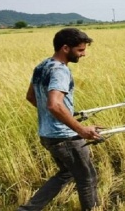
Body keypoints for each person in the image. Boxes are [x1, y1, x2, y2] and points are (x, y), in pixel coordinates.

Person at [18, 28, 101, 211]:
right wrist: (81, 129)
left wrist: (59, 117)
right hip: (65, 137)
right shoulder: (60, 71)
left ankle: (27, 209)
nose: (84, 54)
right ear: (65, 48)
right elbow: (54, 105)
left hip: (47, 134)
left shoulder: (42, 66)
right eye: (80, 50)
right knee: (87, 178)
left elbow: (31, 97)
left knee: (67, 173)